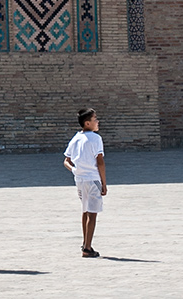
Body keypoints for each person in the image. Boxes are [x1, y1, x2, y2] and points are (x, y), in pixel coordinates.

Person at [63, 108, 106, 258]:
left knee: (85, 210)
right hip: (93, 179)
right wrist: (104, 183)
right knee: (92, 214)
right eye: (95, 119)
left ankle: (85, 243)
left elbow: (66, 161)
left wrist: (74, 170)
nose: (97, 121)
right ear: (87, 123)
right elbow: (100, 162)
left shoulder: (76, 138)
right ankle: (87, 248)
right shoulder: (95, 138)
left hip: (80, 180)